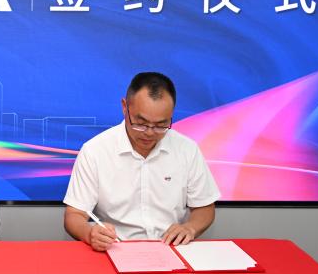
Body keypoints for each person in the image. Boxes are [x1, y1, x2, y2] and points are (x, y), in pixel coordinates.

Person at [63, 72, 220, 251]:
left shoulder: (187, 149)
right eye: (141, 123)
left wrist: (190, 228)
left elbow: (205, 208)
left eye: (161, 125)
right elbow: (74, 215)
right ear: (125, 107)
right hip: (116, 249)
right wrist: (90, 234)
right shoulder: (95, 151)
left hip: (172, 248)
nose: (150, 133)